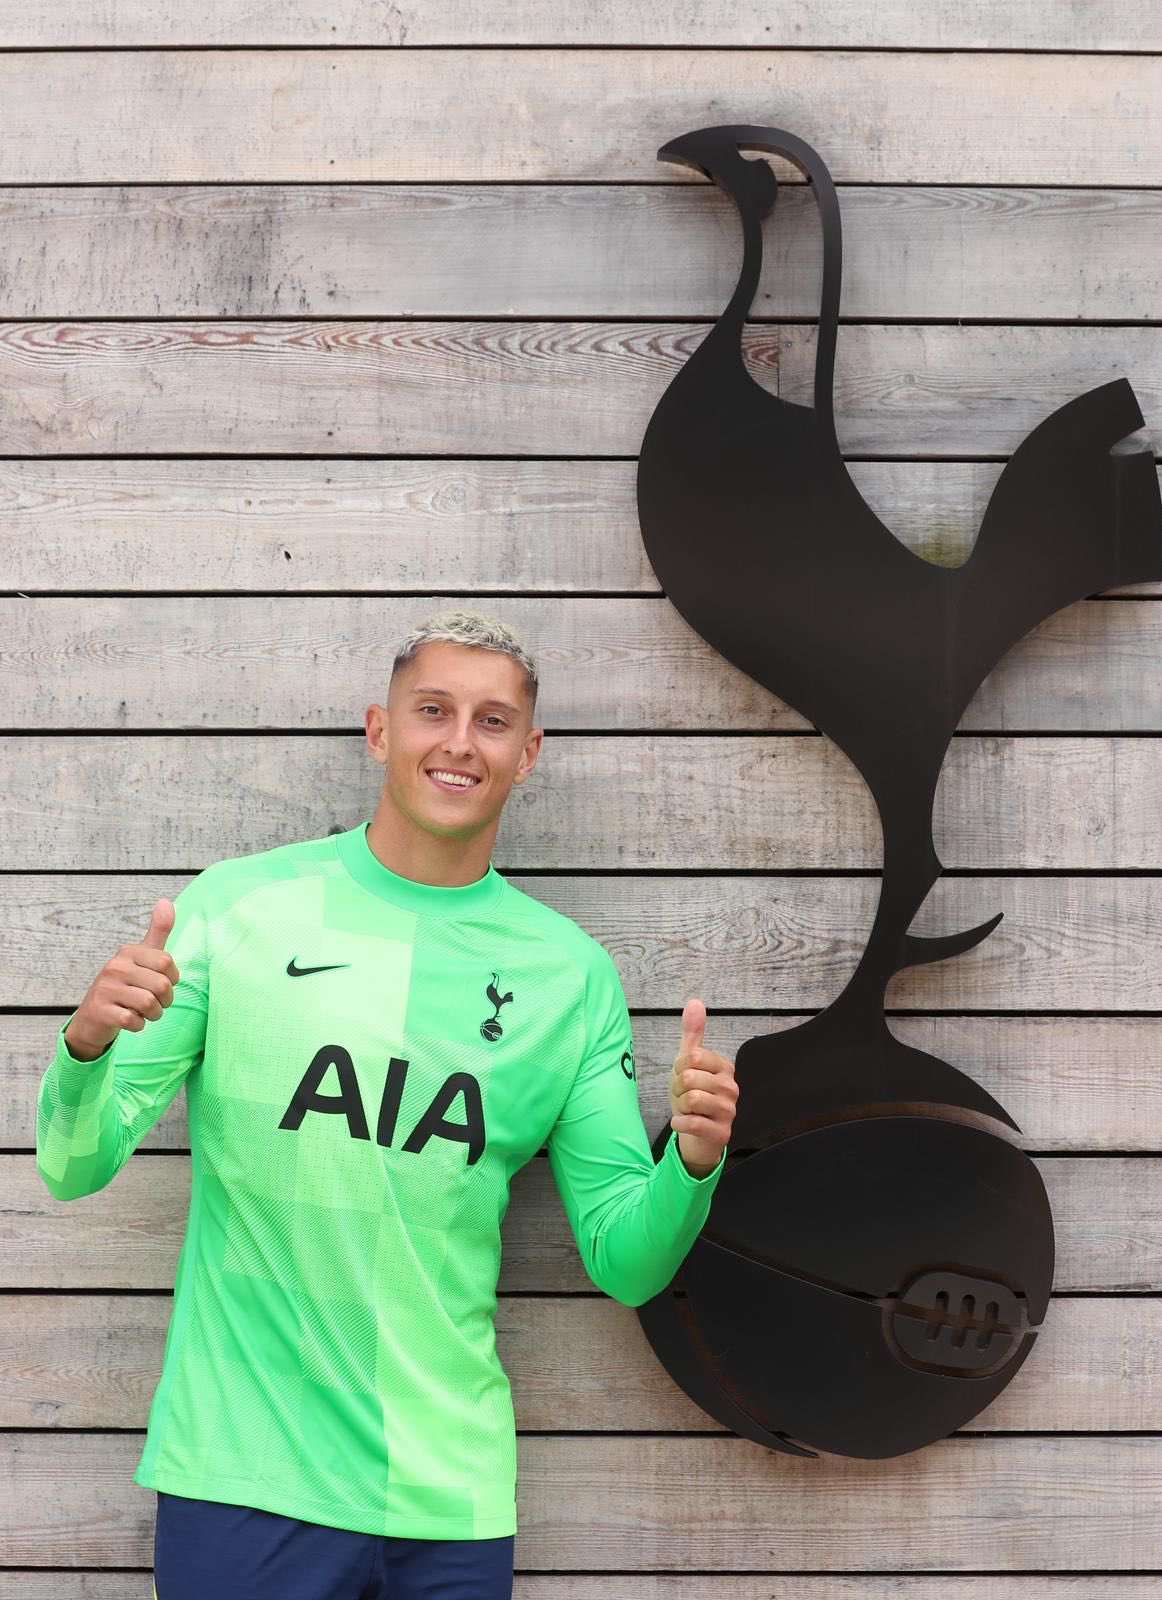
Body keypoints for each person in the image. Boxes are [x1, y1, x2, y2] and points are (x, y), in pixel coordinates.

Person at [35, 609, 738, 1600]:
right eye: (433, 710)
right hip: (245, 1480)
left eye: (493, 721)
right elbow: (72, 1166)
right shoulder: (236, 908)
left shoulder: (570, 977)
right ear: (380, 730)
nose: (460, 742)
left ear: (528, 753)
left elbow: (627, 1261)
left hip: (449, 1507)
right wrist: (86, 1047)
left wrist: (693, 1162)